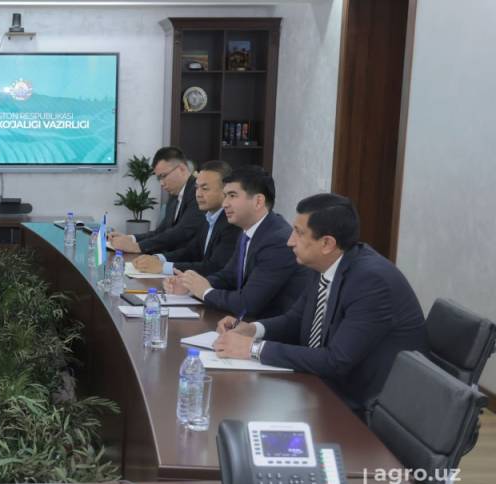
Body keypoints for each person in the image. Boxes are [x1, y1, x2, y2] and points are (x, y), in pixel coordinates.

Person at [213, 194, 427, 416]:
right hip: (326, 385)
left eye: (299, 233)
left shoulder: (371, 281)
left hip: (367, 407)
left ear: (327, 243)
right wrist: (253, 330)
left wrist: (253, 349)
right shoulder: (326, 263)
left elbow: (336, 360)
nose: (290, 241)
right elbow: (295, 320)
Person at [164, 165, 308, 320]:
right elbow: (228, 277)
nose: (225, 203)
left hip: (269, 329)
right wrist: (190, 285)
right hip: (243, 323)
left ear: (258, 201)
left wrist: (205, 291)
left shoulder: (277, 241)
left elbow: (247, 303)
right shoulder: (248, 230)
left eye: (232, 196)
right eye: (225, 196)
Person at [132, 160, 240, 276]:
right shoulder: (208, 217)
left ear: (225, 190)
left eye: (205, 188)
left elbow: (213, 267)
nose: (198, 194)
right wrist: (158, 258)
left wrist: (163, 267)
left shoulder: (232, 224)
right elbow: (191, 252)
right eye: (197, 188)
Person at [109, 146, 205, 254]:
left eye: (163, 176)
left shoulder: (198, 193)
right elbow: (160, 232)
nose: (161, 183)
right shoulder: (175, 196)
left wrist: (138, 247)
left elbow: (182, 232)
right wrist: (131, 238)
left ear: (181, 169)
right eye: (159, 178)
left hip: (186, 260)